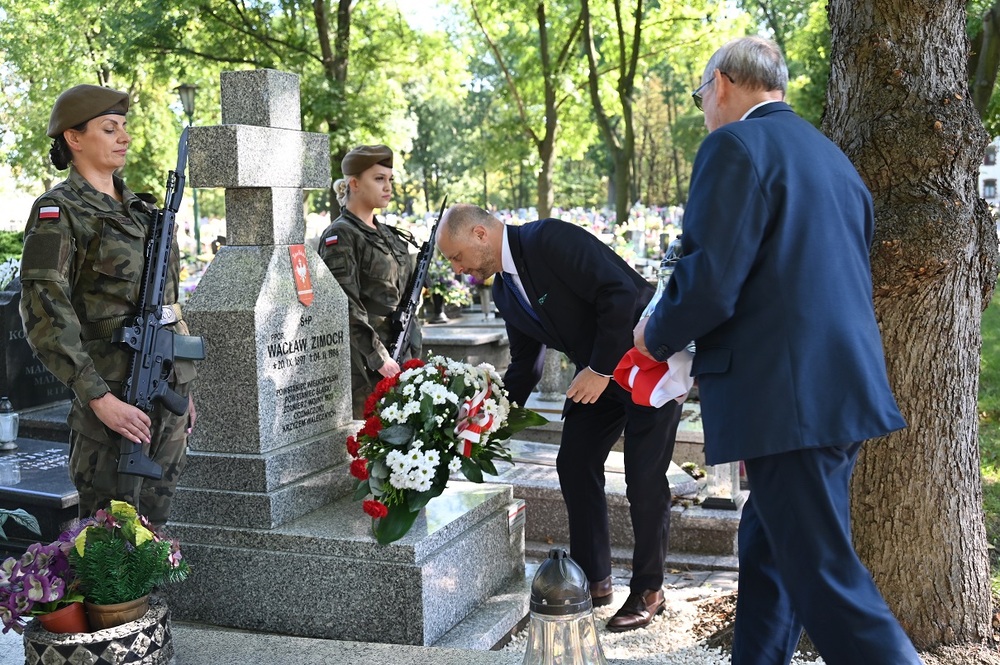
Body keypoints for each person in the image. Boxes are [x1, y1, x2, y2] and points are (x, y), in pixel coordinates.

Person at [634, 37, 922, 664]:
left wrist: (653, 334)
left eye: (701, 93)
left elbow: (712, 279)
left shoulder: (734, 146)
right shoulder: (831, 157)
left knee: (822, 572)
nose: (704, 108)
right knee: (769, 554)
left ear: (727, 83)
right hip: (836, 391)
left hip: (786, 398)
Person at [436, 203, 683, 632]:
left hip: (643, 360)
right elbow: (526, 364)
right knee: (574, 461)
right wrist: (487, 417)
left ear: (479, 234)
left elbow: (621, 294)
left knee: (643, 476)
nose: (458, 269)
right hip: (598, 376)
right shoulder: (503, 291)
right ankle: (593, 578)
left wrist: (601, 369)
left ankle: (649, 590)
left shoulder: (548, 238)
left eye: (456, 257)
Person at [19, 84, 198, 528]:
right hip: (113, 399)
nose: (124, 137)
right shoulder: (58, 211)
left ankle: (148, 603)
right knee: (108, 540)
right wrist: (98, 397)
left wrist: (179, 383)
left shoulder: (143, 212)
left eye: (124, 127)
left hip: (162, 386)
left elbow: (167, 303)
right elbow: (45, 312)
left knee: (154, 531)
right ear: (74, 139)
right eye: (109, 128)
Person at [317, 145, 420, 418]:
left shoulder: (390, 234)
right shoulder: (340, 236)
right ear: (354, 183)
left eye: (390, 180)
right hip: (367, 366)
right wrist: (379, 357)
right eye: (378, 179)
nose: (388, 187)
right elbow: (344, 304)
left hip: (403, 353)